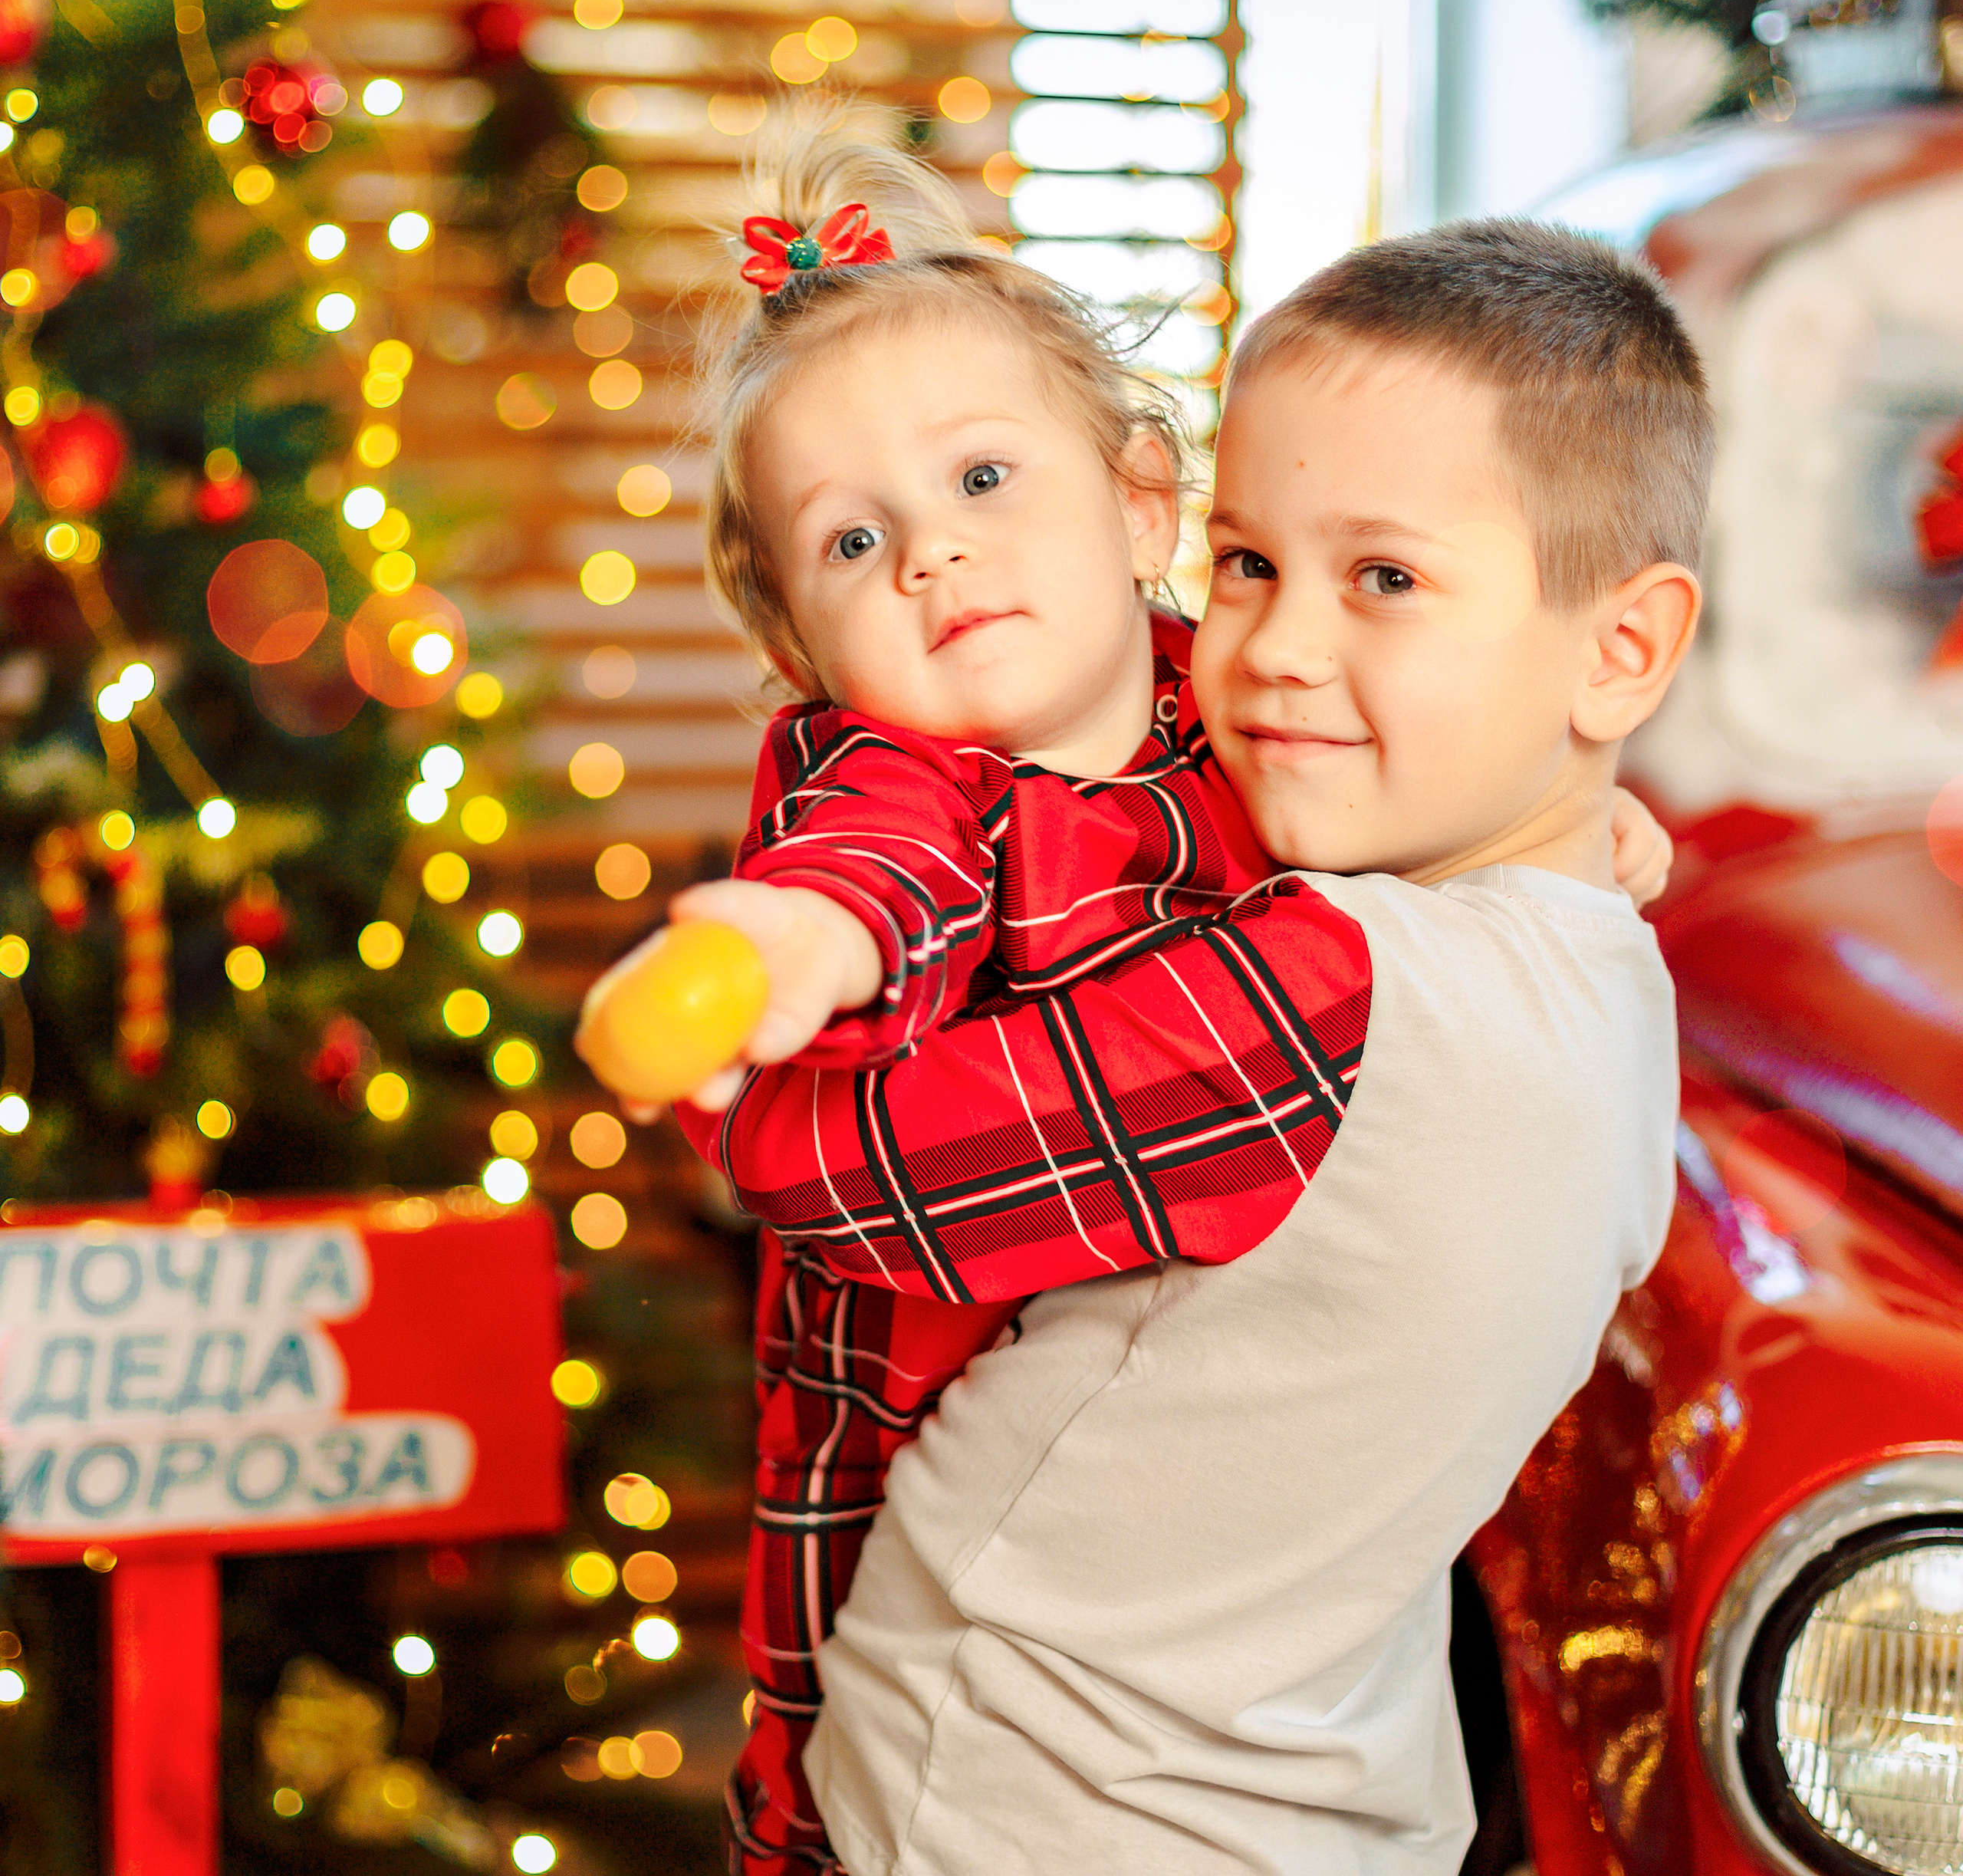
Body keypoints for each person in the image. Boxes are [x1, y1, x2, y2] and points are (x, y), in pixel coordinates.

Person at [577, 130, 1688, 1874]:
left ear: (1133, 505)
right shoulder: (910, 769)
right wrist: (771, 962)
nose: (934, 561)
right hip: (927, 1546)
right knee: (796, 1689)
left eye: (1380, 576)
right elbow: (863, 883)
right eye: (856, 541)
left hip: (1073, 1761)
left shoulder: (1256, 803)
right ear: (797, 642)